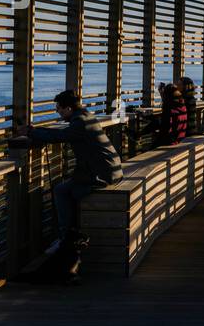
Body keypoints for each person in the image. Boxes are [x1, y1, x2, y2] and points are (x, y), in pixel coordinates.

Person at [15, 90, 123, 254]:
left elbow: (60, 136)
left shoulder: (80, 121)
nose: (57, 111)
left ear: (69, 109)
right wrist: (35, 130)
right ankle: (69, 236)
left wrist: (31, 132)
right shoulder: (85, 117)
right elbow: (61, 133)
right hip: (107, 170)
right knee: (67, 190)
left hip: (102, 174)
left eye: (59, 108)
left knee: (62, 191)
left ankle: (67, 238)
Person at [142, 83, 189, 147]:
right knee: (156, 122)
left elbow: (165, 126)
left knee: (155, 123)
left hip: (171, 140)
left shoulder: (169, 107)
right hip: (180, 137)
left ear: (167, 94)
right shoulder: (182, 105)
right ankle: (137, 135)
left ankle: (137, 135)